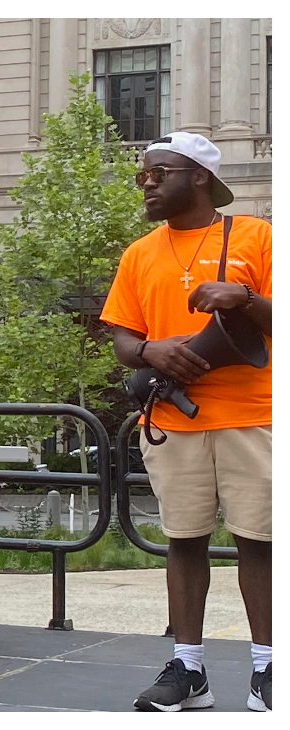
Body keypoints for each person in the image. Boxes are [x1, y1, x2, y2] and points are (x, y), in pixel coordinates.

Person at [101, 132, 272, 713]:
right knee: (184, 541)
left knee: (263, 542)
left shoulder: (256, 235)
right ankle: (189, 668)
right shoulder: (139, 252)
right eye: (143, 176)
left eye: (160, 173)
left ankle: (269, 670)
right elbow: (123, 337)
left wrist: (244, 298)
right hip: (176, 417)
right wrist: (151, 352)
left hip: (257, 414)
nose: (147, 183)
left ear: (198, 176)